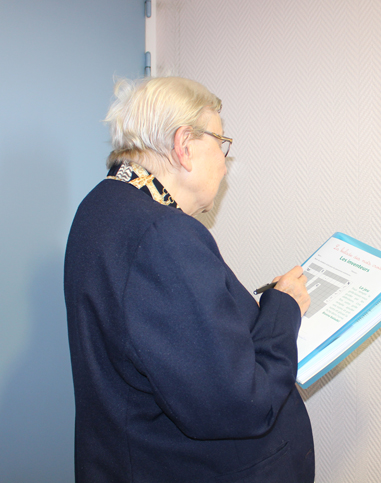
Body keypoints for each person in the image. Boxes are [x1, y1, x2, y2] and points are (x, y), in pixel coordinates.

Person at [64, 76, 315, 483]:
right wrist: (283, 307)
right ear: (184, 145)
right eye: (220, 142)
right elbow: (239, 404)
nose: (224, 162)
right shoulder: (164, 235)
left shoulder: (101, 206)